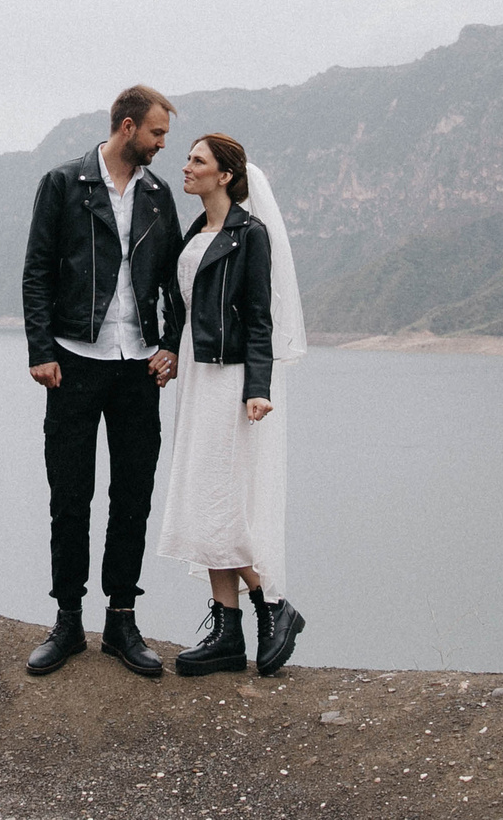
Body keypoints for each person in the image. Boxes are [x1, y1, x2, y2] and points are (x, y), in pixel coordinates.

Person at [20, 85, 187, 679]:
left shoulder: (160, 195)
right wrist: (41, 348)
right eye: (157, 134)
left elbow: (174, 282)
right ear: (126, 127)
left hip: (138, 364)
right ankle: (67, 622)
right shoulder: (64, 183)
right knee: (70, 494)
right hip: (73, 359)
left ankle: (120, 622)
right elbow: (37, 269)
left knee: (133, 493)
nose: (164, 145)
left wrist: (170, 344)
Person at [156, 132, 308, 677]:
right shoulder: (197, 231)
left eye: (197, 160)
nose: (186, 166)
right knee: (202, 495)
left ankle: (271, 604)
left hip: (230, 378)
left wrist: (259, 387)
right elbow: (184, 305)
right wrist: (169, 350)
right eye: (188, 159)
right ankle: (226, 631)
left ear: (224, 175)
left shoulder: (251, 235)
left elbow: (260, 317)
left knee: (219, 494)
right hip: (198, 373)